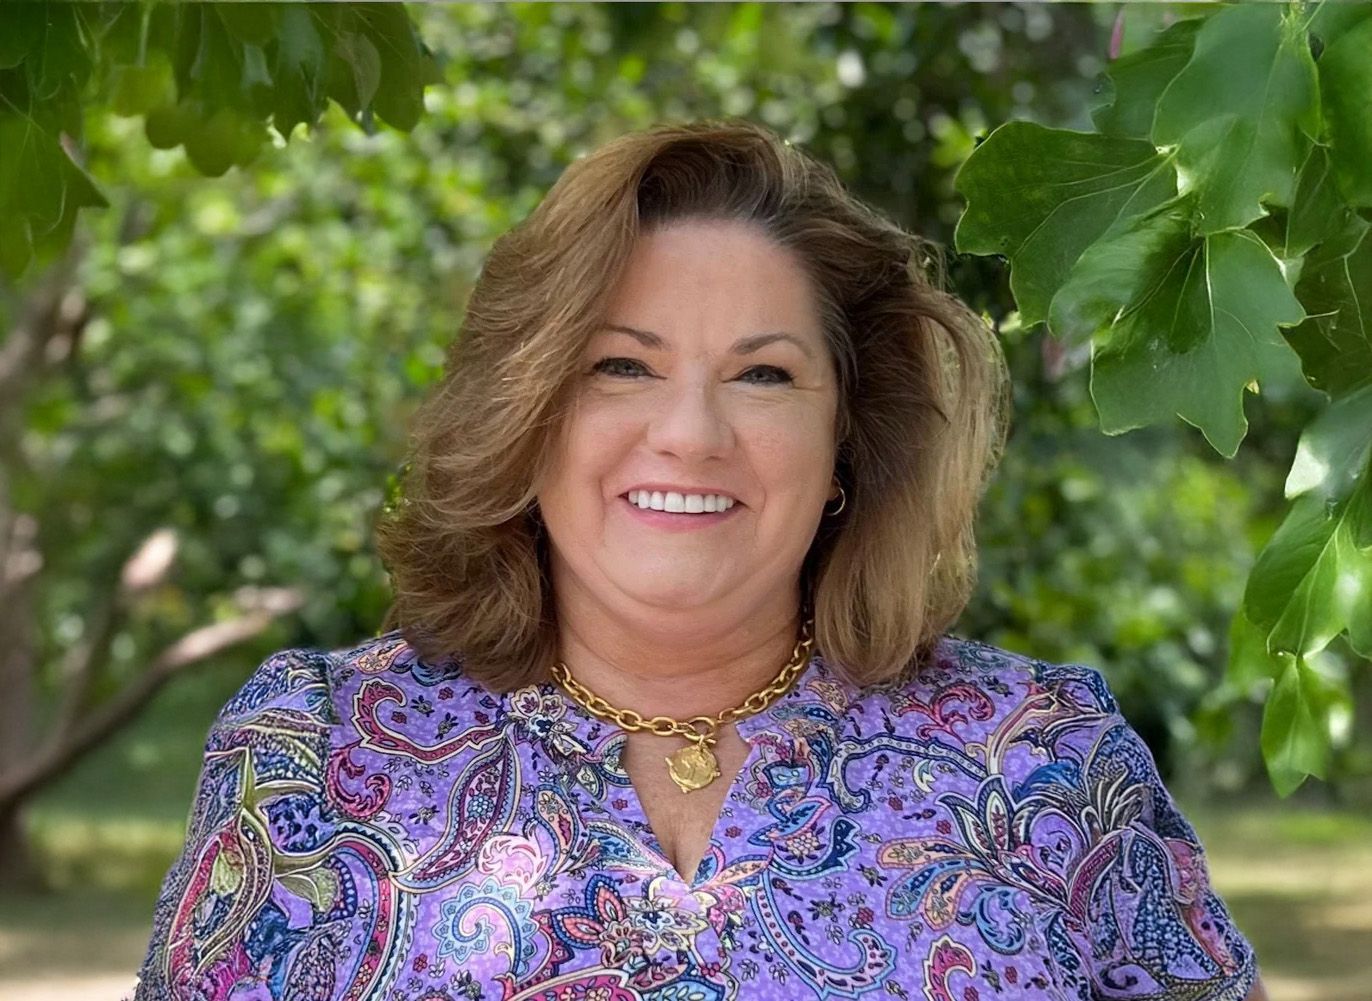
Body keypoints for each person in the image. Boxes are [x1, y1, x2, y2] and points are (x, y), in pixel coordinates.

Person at [132, 118, 1267, 1001]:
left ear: (844, 446)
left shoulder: (1047, 767)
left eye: (763, 374)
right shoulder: (311, 759)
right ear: (528, 416)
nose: (689, 432)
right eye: (620, 366)